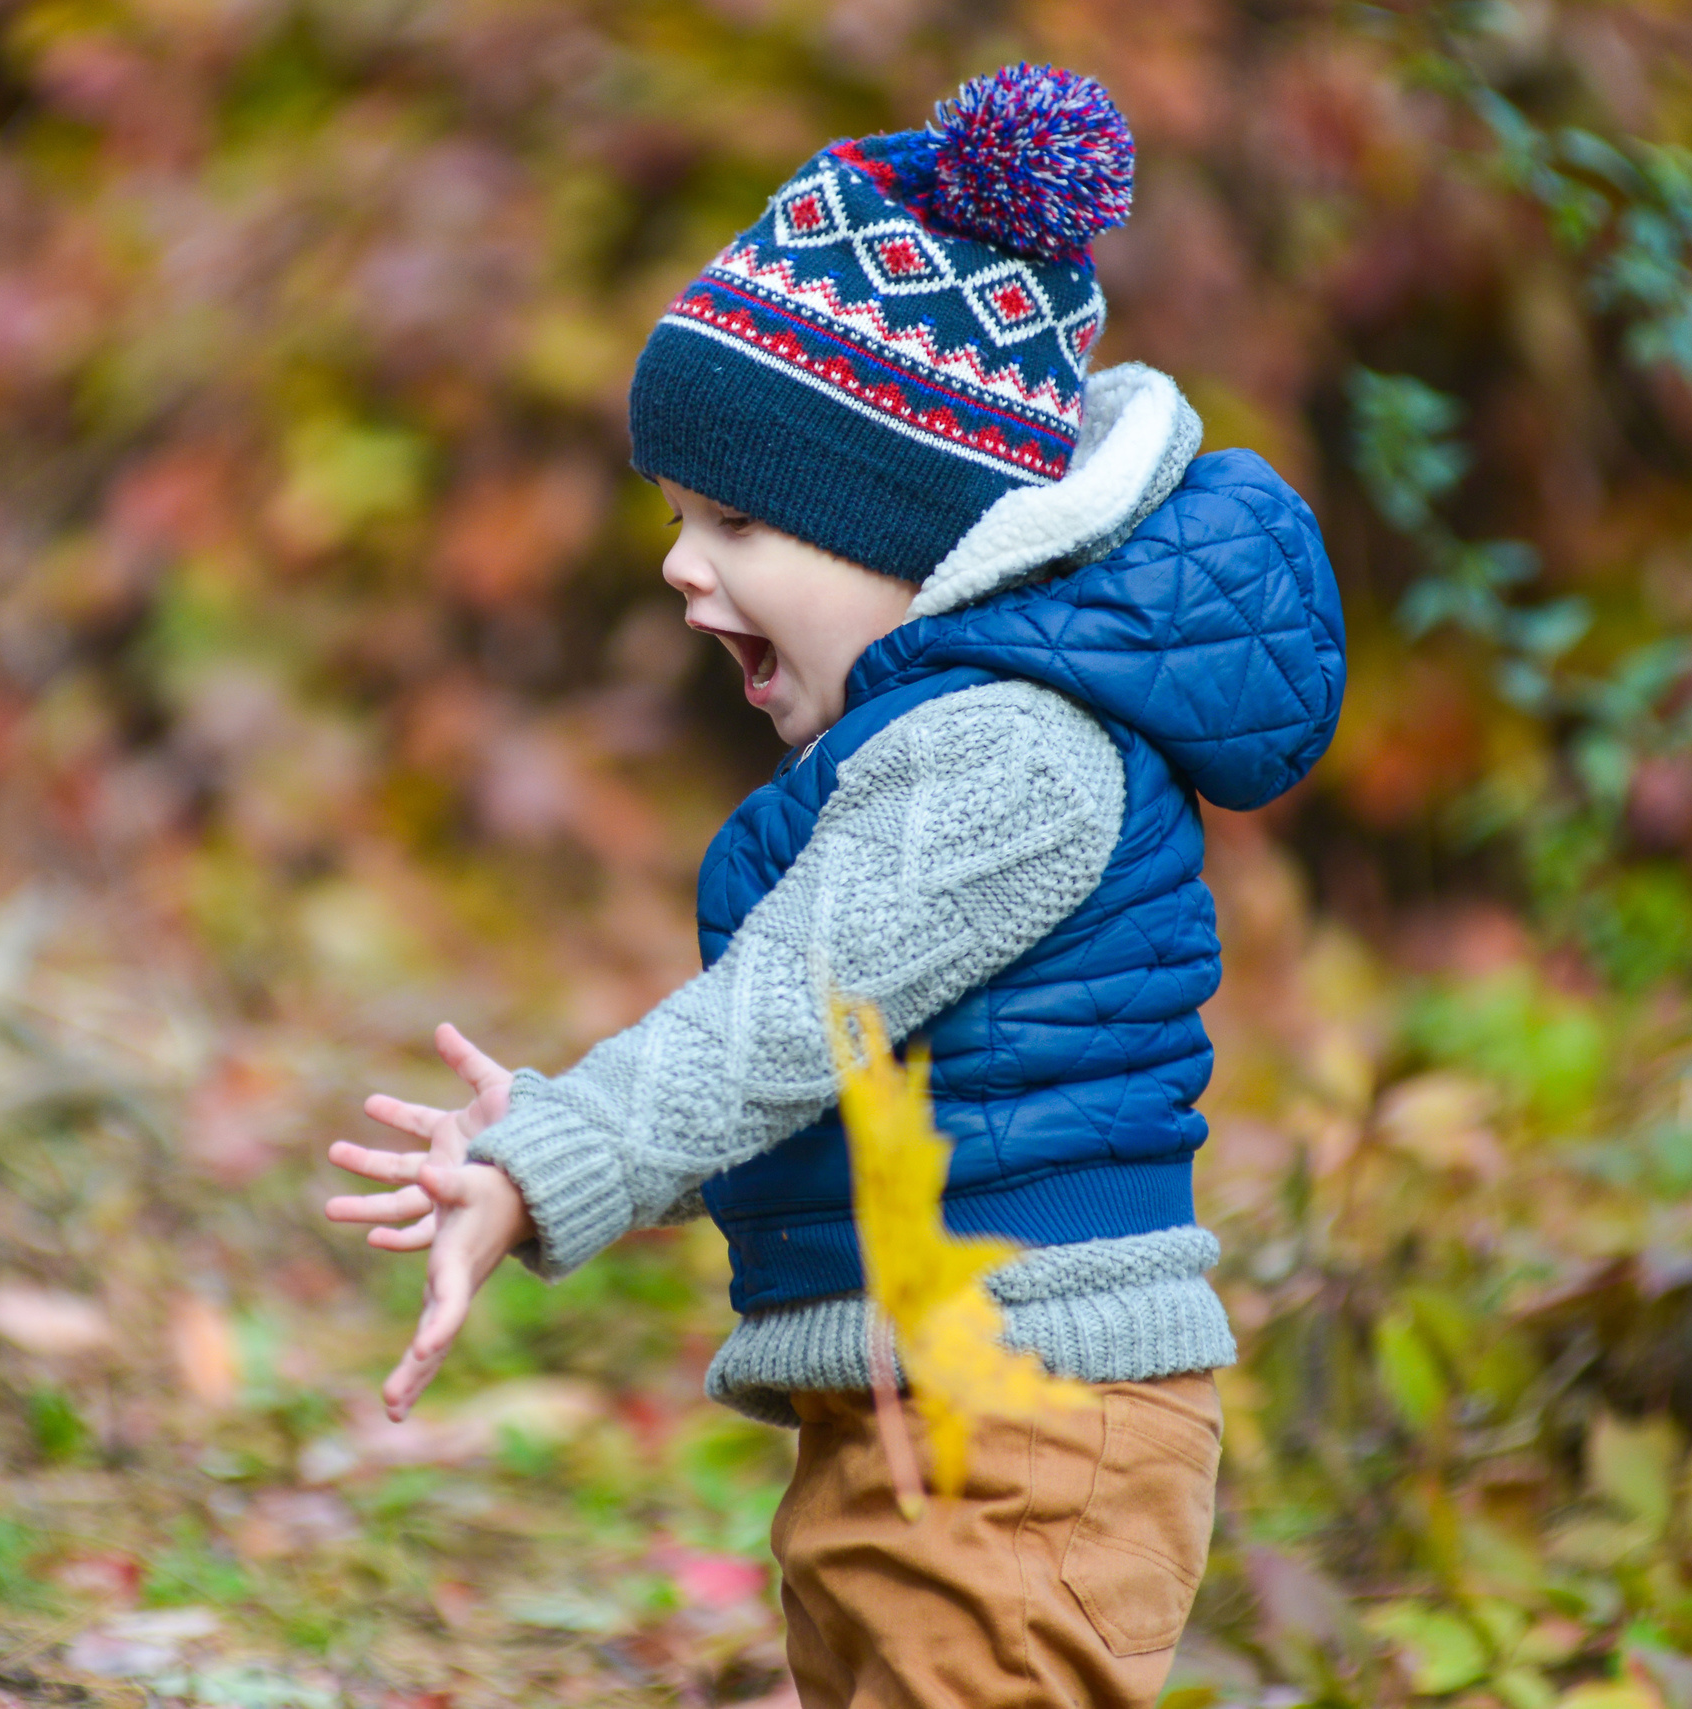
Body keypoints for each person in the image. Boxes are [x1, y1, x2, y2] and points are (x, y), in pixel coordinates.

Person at [326, 63, 1346, 1709]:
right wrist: (549, 1132)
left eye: (736, 515)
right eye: (675, 514)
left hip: (1016, 1416)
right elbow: (803, 1074)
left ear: (922, 533)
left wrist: (554, 1157)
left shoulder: (1014, 755)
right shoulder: (954, 742)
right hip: (920, 1395)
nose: (679, 564)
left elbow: (785, 1015)